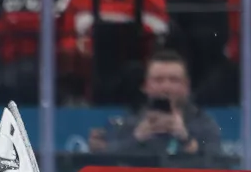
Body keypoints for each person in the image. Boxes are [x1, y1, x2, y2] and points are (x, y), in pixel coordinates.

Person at [89, 50, 224, 163]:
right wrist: (137, 138)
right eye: (158, 80)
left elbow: (219, 167)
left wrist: (186, 140)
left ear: (187, 86)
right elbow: (106, 166)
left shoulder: (204, 124)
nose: (166, 87)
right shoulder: (128, 124)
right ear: (145, 86)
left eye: (174, 80)